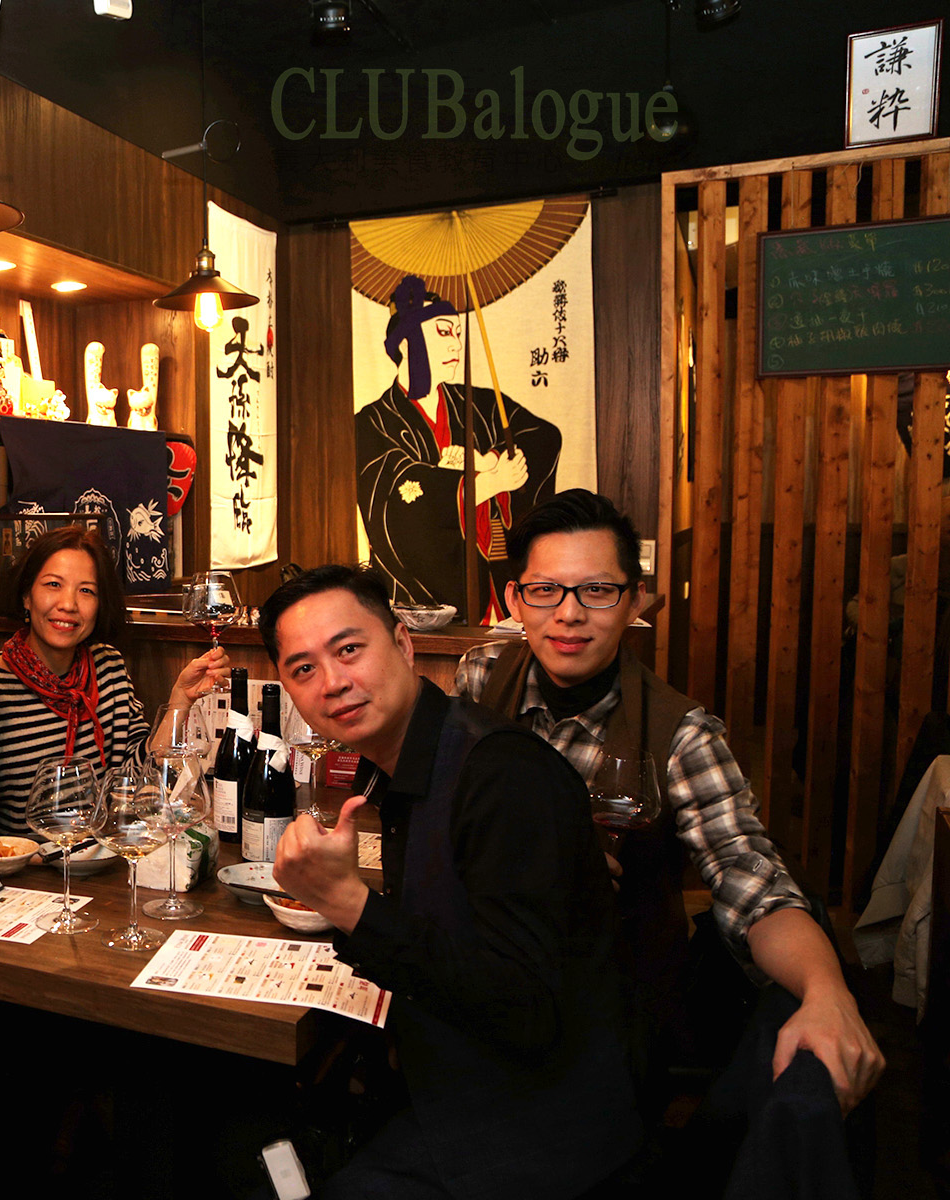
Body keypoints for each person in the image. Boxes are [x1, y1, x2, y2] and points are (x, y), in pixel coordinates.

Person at [453, 488, 884, 1112]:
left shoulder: (681, 735)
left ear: (635, 601)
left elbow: (749, 878)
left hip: (607, 1009)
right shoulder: (479, 676)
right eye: (545, 590)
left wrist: (826, 992)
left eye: (597, 591)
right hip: (479, 977)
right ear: (517, 598)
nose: (568, 614)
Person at [263, 565, 641, 1199]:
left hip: (529, 1133)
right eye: (304, 669)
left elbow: (526, 1014)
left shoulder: (500, 772)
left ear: (403, 643)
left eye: (349, 649)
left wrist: (350, 903)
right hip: (447, 1089)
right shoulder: (401, 765)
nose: (332, 683)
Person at [0, 525, 225, 837]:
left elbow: (139, 777)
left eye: (86, 591)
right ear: (27, 596)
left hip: (101, 855)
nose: (68, 604)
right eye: (53, 584)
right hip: (22, 862)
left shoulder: (107, 666)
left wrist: (180, 700)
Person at [356, 274, 561, 620]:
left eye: (457, 334)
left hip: (494, 576)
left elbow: (544, 436)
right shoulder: (372, 422)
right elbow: (395, 496)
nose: (455, 345)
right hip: (419, 594)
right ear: (406, 342)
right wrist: (487, 483)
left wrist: (489, 460)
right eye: (443, 333)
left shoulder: (478, 404)